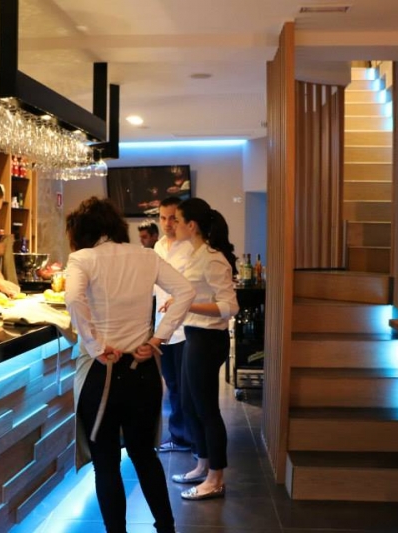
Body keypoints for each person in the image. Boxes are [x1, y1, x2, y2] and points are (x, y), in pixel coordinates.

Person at [65, 197, 195, 533]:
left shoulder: (82, 259)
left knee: (106, 464)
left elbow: (72, 298)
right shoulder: (146, 255)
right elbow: (185, 291)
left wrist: (93, 345)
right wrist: (157, 339)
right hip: (142, 369)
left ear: (81, 232)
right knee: (144, 454)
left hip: (102, 371)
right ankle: (166, 527)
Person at [166, 197, 238, 501]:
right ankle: (203, 464)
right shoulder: (194, 254)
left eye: (177, 220)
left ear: (191, 225)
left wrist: (187, 304)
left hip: (208, 340)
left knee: (207, 409)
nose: (173, 225)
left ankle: (215, 478)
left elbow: (229, 306)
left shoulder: (213, 258)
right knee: (191, 406)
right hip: (193, 336)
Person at [153, 197, 194, 453]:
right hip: (162, 328)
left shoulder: (190, 248)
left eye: (173, 218)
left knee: (185, 386)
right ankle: (180, 436)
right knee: (172, 384)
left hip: (185, 326)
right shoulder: (157, 247)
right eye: (163, 218)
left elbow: (193, 289)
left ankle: (189, 437)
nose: (168, 223)